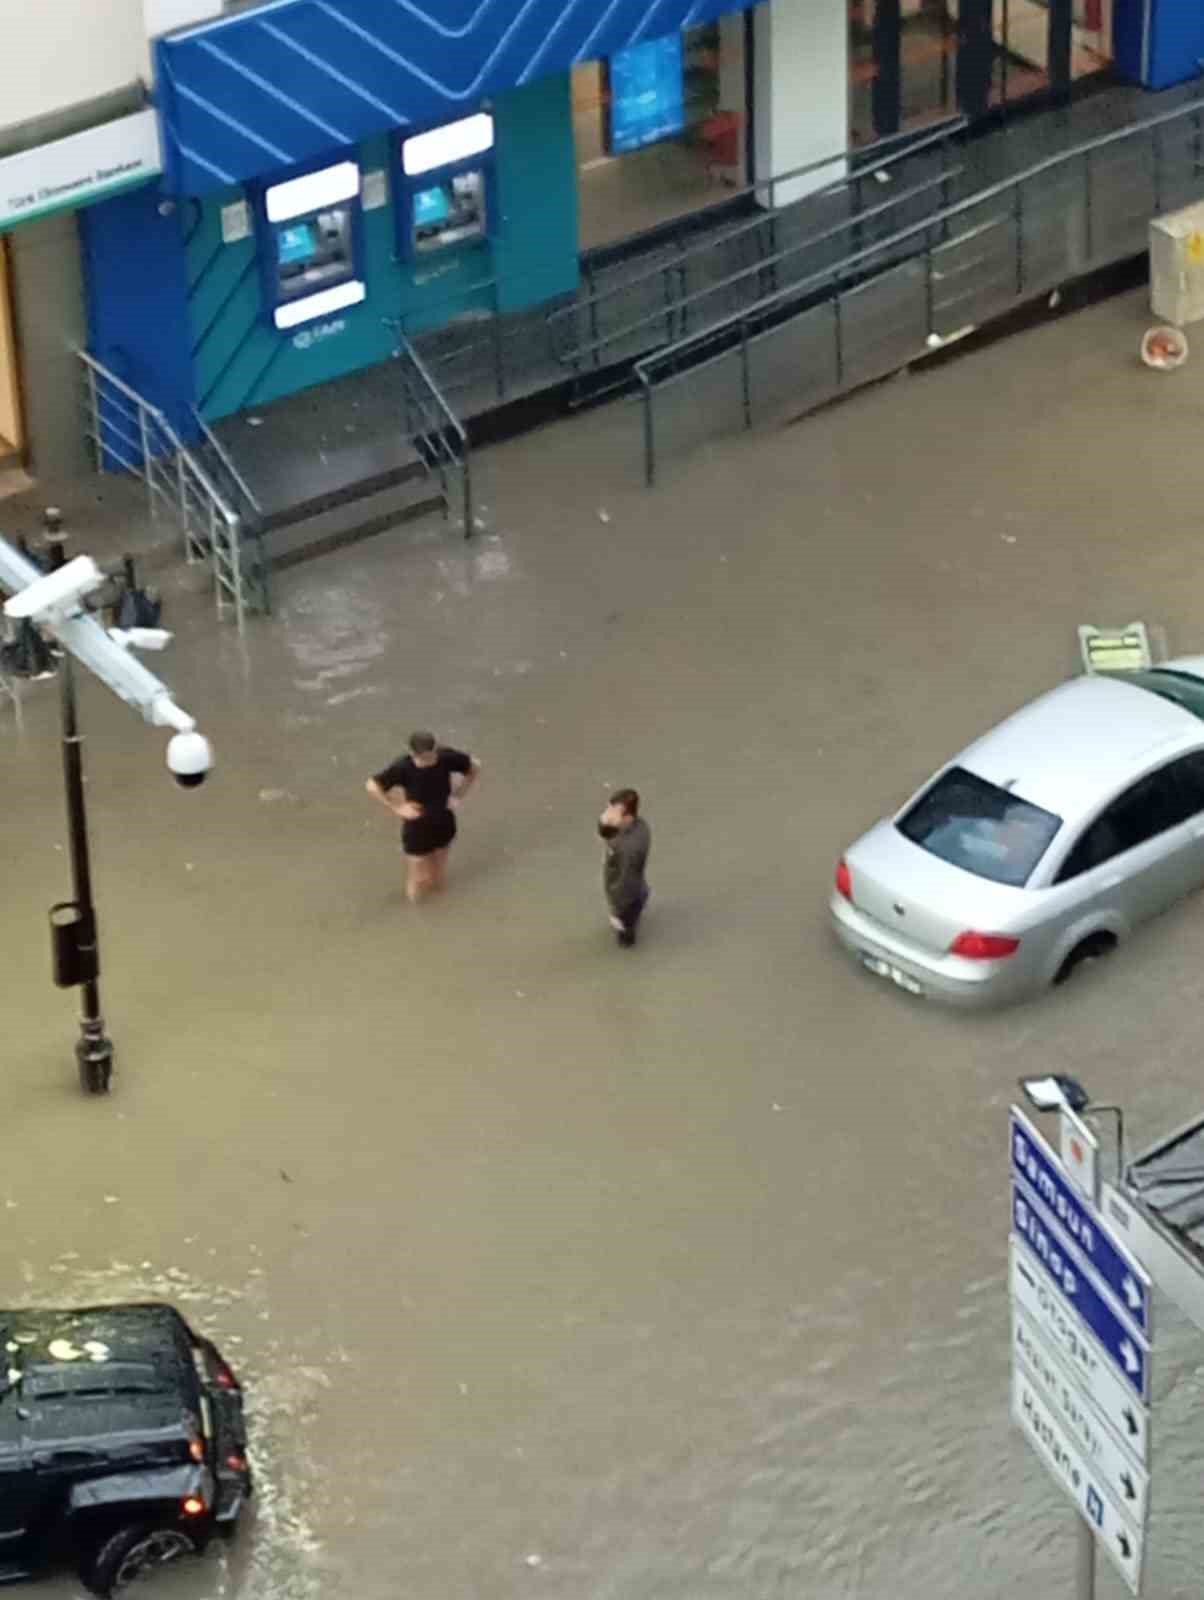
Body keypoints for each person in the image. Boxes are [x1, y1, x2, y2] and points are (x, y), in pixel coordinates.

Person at [366, 731, 481, 904]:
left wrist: (458, 795)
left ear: (436, 748)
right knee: (417, 878)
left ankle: (443, 912)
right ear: (412, 754)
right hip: (416, 828)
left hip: (444, 822)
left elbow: (475, 766)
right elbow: (372, 785)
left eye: (432, 756)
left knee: (438, 875)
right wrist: (397, 807)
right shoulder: (403, 767)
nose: (429, 761)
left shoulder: (446, 758)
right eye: (423, 758)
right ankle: (417, 915)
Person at [598, 788, 651, 947]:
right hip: (637, 883)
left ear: (627, 817)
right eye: (608, 808)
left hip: (627, 896)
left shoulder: (627, 848)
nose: (608, 815)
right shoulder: (639, 825)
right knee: (639, 896)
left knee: (625, 926)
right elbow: (605, 832)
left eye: (614, 813)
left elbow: (624, 882)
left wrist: (617, 910)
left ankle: (627, 940)